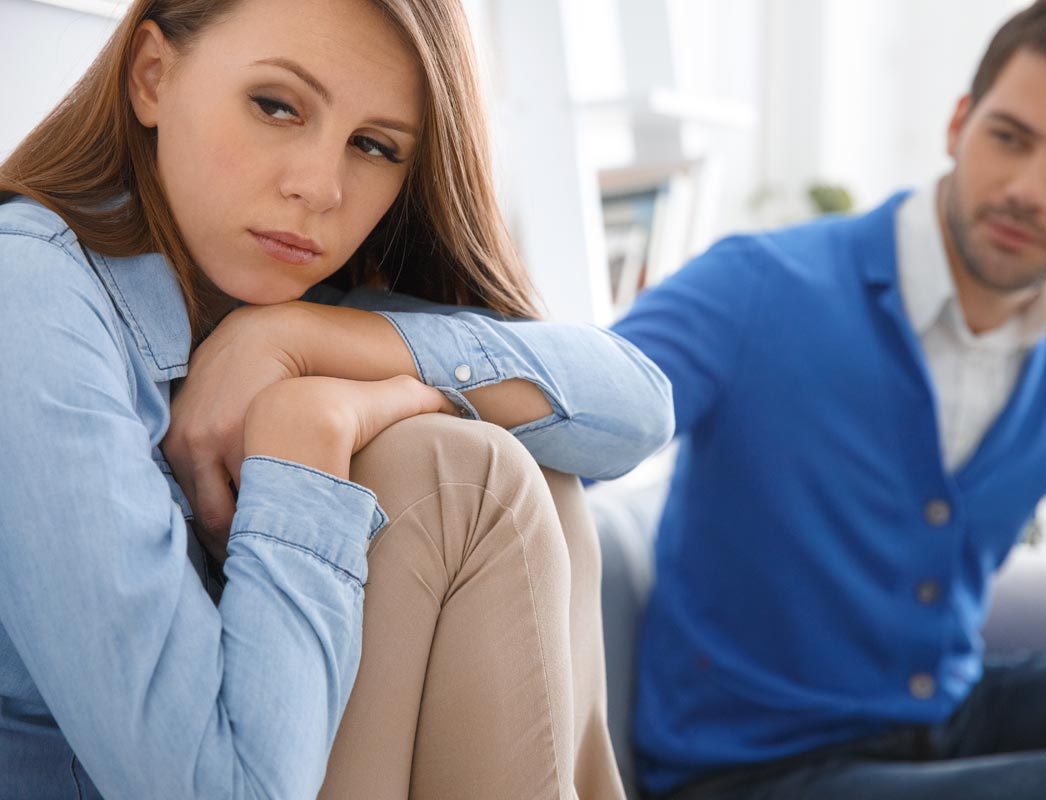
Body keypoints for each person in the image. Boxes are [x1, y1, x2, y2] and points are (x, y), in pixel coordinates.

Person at [0, 0, 672, 797]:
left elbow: (636, 410)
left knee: (522, 456)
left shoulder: (311, 298)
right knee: (456, 473)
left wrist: (292, 339)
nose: (320, 188)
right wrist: (305, 435)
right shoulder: (30, 298)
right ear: (153, 76)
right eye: (276, 106)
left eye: (374, 146)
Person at [611, 1, 1046, 798]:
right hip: (747, 769)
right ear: (959, 124)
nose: (1029, 189)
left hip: (946, 725)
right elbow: (587, 397)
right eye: (1010, 138)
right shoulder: (760, 285)